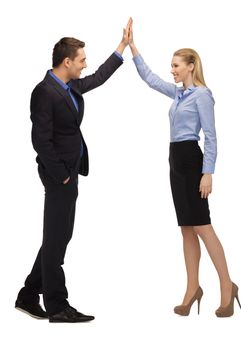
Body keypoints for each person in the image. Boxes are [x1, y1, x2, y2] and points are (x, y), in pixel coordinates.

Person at [15, 18, 132, 323]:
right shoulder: (44, 92)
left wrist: (122, 47)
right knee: (56, 239)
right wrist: (61, 173)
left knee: (59, 237)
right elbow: (39, 140)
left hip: (70, 172)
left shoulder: (69, 86)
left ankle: (28, 295)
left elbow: (98, 78)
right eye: (81, 60)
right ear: (66, 61)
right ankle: (56, 306)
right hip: (59, 175)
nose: (84, 65)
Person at [128, 20, 241, 317]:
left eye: (177, 65)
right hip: (174, 160)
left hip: (192, 160)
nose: (173, 70)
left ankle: (227, 286)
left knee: (203, 226)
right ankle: (192, 289)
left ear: (191, 66)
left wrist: (208, 172)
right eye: (172, 66)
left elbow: (211, 136)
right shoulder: (178, 94)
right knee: (186, 229)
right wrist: (133, 47)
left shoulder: (202, 95)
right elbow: (150, 79)